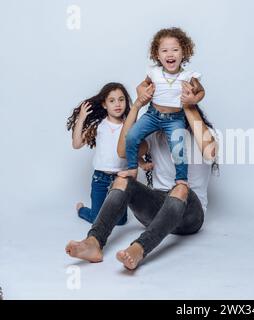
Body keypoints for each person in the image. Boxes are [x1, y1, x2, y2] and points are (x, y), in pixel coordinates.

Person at [65, 81, 218, 270]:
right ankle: (94, 243)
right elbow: (122, 150)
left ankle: (138, 249)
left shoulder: (201, 132)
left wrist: (188, 105)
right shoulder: (154, 136)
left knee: (179, 187)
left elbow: (210, 152)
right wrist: (137, 104)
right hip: (155, 211)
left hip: (190, 216)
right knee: (123, 179)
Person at [124, 27, 205, 190]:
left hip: (175, 119)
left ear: (184, 53)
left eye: (175, 50)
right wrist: (141, 92)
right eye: (165, 50)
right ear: (157, 55)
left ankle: (181, 178)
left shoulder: (188, 76)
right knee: (132, 136)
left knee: (178, 148)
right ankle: (132, 168)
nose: (170, 54)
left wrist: (192, 99)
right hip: (152, 115)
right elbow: (142, 85)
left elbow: (201, 91)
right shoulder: (153, 72)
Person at [66, 83, 131, 225]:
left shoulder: (128, 126)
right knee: (97, 220)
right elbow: (76, 144)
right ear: (104, 104)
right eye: (112, 100)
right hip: (100, 179)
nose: (117, 104)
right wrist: (82, 118)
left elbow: (136, 150)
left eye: (121, 99)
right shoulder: (98, 126)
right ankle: (82, 210)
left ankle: (107, 212)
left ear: (126, 102)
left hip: (120, 180)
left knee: (121, 221)